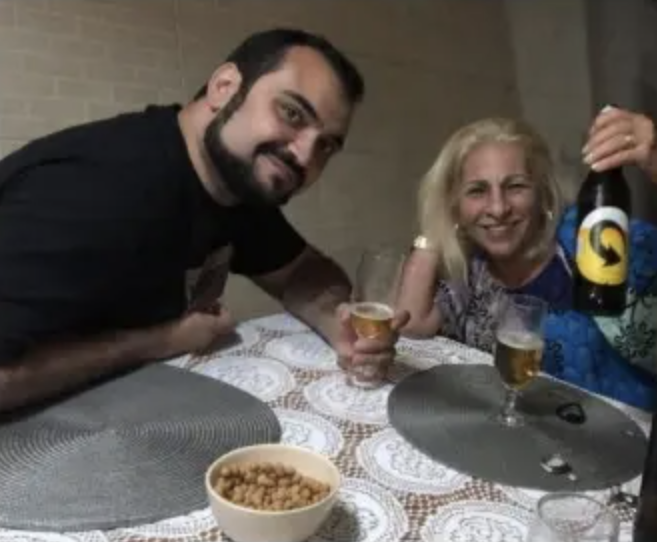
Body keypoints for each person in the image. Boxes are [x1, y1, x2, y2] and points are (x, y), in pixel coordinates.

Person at [0, 28, 407, 414]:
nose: (304, 156)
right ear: (223, 87)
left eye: (326, 146)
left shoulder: (234, 189)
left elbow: (302, 273)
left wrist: (338, 322)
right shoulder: (94, 189)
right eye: (292, 113)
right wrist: (158, 341)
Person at [397, 109, 657, 410]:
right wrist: (435, 227)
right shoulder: (471, 264)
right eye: (477, 191)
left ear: (542, 195)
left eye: (516, 186)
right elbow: (411, 325)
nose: (498, 208)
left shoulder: (593, 233)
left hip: (622, 433)